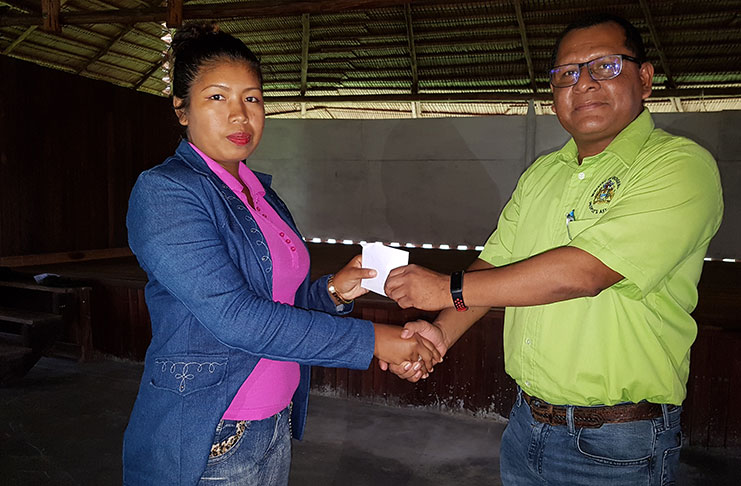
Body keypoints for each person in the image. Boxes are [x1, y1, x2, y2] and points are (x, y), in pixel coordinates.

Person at [381, 13, 723, 485]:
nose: (583, 83)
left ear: (644, 78)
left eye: (604, 66)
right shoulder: (542, 174)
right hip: (526, 425)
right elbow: (495, 263)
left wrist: (447, 289)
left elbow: (586, 273)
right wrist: (441, 333)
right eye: (567, 73)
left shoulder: (678, 166)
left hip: (617, 442)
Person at [123, 23, 440, 486]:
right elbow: (237, 317)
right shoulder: (167, 192)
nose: (240, 115)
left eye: (252, 98)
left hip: (273, 424)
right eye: (217, 97)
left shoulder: (261, 195)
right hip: (212, 434)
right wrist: (375, 340)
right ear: (181, 109)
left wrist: (332, 292)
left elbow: (278, 305)